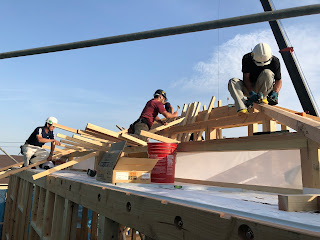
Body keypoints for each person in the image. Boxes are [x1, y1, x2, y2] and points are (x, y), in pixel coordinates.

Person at [228, 43, 282, 115]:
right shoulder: (247, 58)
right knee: (233, 81)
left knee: (267, 73)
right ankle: (243, 107)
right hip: (249, 88)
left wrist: (275, 92)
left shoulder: (275, 61)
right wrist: (251, 93)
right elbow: (246, 78)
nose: (262, 64)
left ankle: (262, 99)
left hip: (264, 89)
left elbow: (278, 80)